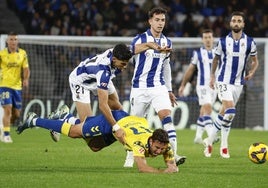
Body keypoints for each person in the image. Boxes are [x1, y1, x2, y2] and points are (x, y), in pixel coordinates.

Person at [16, 106, 178, 173]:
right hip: (114, 122)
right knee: (74, 133)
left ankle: (66, 116)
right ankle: (34, 120)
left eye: (161, 149)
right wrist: (164, 172)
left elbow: (172, 164)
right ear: (150, 141)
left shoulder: (165, 145)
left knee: (94, 147)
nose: (158, 152)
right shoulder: (139, 143)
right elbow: (142, 167)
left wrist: (171, 166)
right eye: (157, 148)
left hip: (127, 125)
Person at [124, 7, 186, 167]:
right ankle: (130, 156)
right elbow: (129, 53)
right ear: (150, 21)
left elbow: (166, 68)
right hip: (139, 88)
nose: (160, 23)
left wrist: (170, 90)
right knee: (135, 125)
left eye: (163, 20)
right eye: (157, 20)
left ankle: (174, 154)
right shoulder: (139, 39)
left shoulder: (167, 42)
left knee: (167, 118)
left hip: (158, 87)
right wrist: (150, 46)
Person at [50, 43, 132, 144]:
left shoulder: (119, 52)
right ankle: (63, 118)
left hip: (96, 77)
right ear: (114, 59)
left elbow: (137, 47)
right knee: (87, 126)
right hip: (80, 81)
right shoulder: (103, 72)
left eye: (127, 63)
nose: (125, 67)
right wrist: (116, 127)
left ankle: (129, 136)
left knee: (118, 108)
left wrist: (150, 45)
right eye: (123, 64)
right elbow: (102, 105)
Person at [204, 11, 259, 158]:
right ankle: (224, 146)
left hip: (239, 83)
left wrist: (252, 72)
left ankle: (209, 141)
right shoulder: (223, 41)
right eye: (234, 21)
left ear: (243, 24)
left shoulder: (250, 42)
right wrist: (212, 76)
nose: (236, 23)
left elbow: (255, 61)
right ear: (230, 24)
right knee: (231, 111)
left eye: (239, 21)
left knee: (224, 114)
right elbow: (215, 59)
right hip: (223, 80)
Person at [178, 29, 218, 144]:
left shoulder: (218, 52)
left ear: (213, 38)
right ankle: (211, 135)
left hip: (214, 87)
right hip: (202, 86)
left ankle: (198, 136)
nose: (208, 40)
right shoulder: (198, 54)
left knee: (203, 111)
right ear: (202, 40)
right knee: (208, 108)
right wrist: (183, 85)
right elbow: (190, 70)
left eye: (209, 37)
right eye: (205, 37)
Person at [0, 31, 30, 143]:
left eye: (15, 39)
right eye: (11, 39)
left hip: (17, 87)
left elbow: (26, 69)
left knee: (16, 114)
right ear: (7, 41)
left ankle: (4, 127)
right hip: (4, 85)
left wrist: (26, 79)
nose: (13, 41)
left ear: (17, 41)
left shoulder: (22, 53)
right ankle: (6, 135)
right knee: (7, 109)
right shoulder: (2, 54)